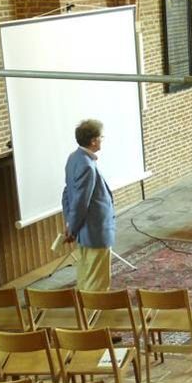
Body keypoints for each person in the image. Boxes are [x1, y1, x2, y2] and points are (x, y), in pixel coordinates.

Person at [62, 119, 116, 291]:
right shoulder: (87, 165)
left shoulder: (74, 158)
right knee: (96, 280)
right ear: (93, 141)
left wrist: (70, 223)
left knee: (86, 272)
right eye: (101, 137)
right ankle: (95, 313)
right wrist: (72, 228)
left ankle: (86, 310)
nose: (102, 140)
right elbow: (80, 202)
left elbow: (67, 193)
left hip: (84, 229)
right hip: (94, 229)